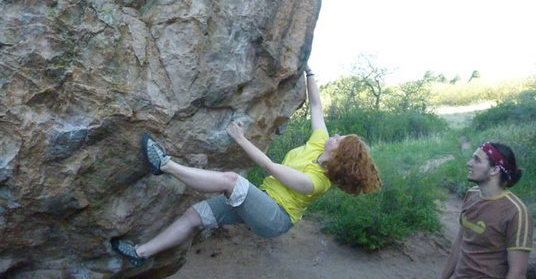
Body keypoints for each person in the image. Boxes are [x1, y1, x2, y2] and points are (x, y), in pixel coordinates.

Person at [111, 65, 381, 266]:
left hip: (274, 218)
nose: (334, 136)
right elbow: (317, 108)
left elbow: (271, 167)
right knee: (195, 216)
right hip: (260, 201)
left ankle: (165, 165)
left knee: (231, 181)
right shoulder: (319, 142)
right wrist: (309, 72)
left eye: (339, 139)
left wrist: (241, 139)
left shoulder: (316, 182)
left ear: (340, 154)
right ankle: (139, 254)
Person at [432, 142, 533, 279]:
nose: (469, 163)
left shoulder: (516, 212)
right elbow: (461, 241)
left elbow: (517, 272)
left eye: (477, 159)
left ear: (495, 169)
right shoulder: (471, 196)